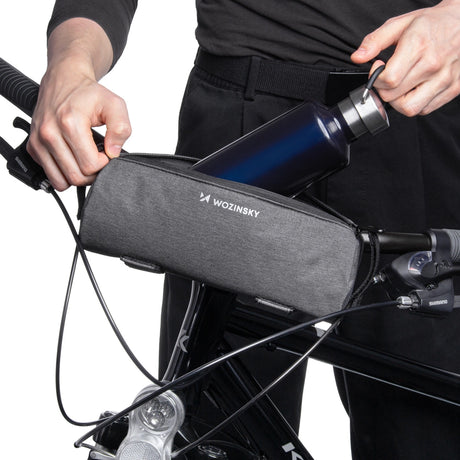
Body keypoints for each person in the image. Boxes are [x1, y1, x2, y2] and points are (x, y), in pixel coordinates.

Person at [28, 1, 460, 458]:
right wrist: (70, 67)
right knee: (213, 431)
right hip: (242, 114)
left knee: (425, 435)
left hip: (419, 98)